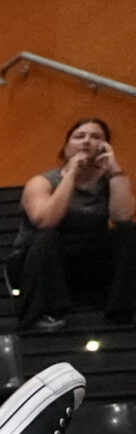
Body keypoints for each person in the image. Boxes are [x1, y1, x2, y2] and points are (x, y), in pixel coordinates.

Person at [13, 116, 134, 331]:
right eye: (79, 136)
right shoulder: (42, 182)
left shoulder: (109, 182)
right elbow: (46, 221)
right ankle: (42, 313)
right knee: (47, 236)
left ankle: (122, 311)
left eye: (95, 137)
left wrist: (114, 169)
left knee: (129, 232)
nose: (87, 141)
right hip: (40, 261)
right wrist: (70, 175)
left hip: (89, 260)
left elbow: (123, 216)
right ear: (66, 148)